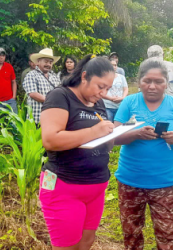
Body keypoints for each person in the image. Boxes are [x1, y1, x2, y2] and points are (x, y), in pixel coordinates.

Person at [114, 58, 173, 249]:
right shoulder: (130, 103)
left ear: (166, 83)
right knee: (131, 232)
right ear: (139, 81)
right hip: (130, 180)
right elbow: (115, 138)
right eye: (147, 81)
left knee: (168, 233)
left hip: (164, 181)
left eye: (158, 82)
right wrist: (136, 134)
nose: (152, 86)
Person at [39, 55, 115, 250]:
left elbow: (101, 141)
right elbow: (50, 140)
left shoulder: (97, 102)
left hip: (96, 187)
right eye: (100, 86)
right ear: (84, 76)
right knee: (67, 247)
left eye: (108, 88)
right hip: (64, 186)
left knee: (86, 243)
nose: (103, 93)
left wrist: (112, 135)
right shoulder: (60, 96)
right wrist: (93, 132)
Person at [23, 48, 61, 123]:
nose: (48, 64)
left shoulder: (54, 76)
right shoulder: (31, 75)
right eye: (46, 62)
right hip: (37, 119)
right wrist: (52, 101)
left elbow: (60, 92)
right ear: (38, 62)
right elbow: (33, 94)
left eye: (50, 62)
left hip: (53, 119)